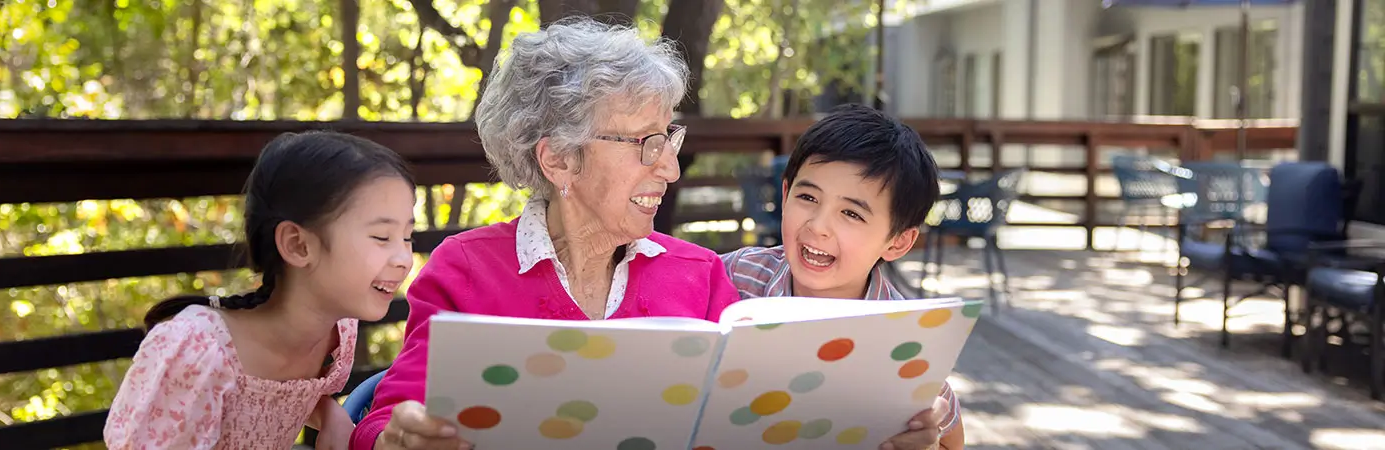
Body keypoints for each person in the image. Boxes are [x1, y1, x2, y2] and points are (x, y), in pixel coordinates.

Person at [349, 18, 741, 450]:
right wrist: (396, 440)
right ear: (557, 160)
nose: (670, 168)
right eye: (646, 143)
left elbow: (741, 420)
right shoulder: (466, 270)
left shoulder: (700, 275)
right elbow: (385, 420)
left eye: (669, 138)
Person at [104, 131, 419, 450]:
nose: (404, 259)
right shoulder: (196, 352)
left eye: (407, 237)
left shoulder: (338, 335)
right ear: (298, 245)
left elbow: (283, 398)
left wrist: (330, 415)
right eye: (382, 237)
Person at [720, 104, 967, 450]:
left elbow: (949, 437)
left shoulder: (905, 337)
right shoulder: (733, 277)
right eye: (807, 197)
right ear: (785, 193)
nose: (818, 226)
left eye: (851, 213)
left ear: (898, 241)